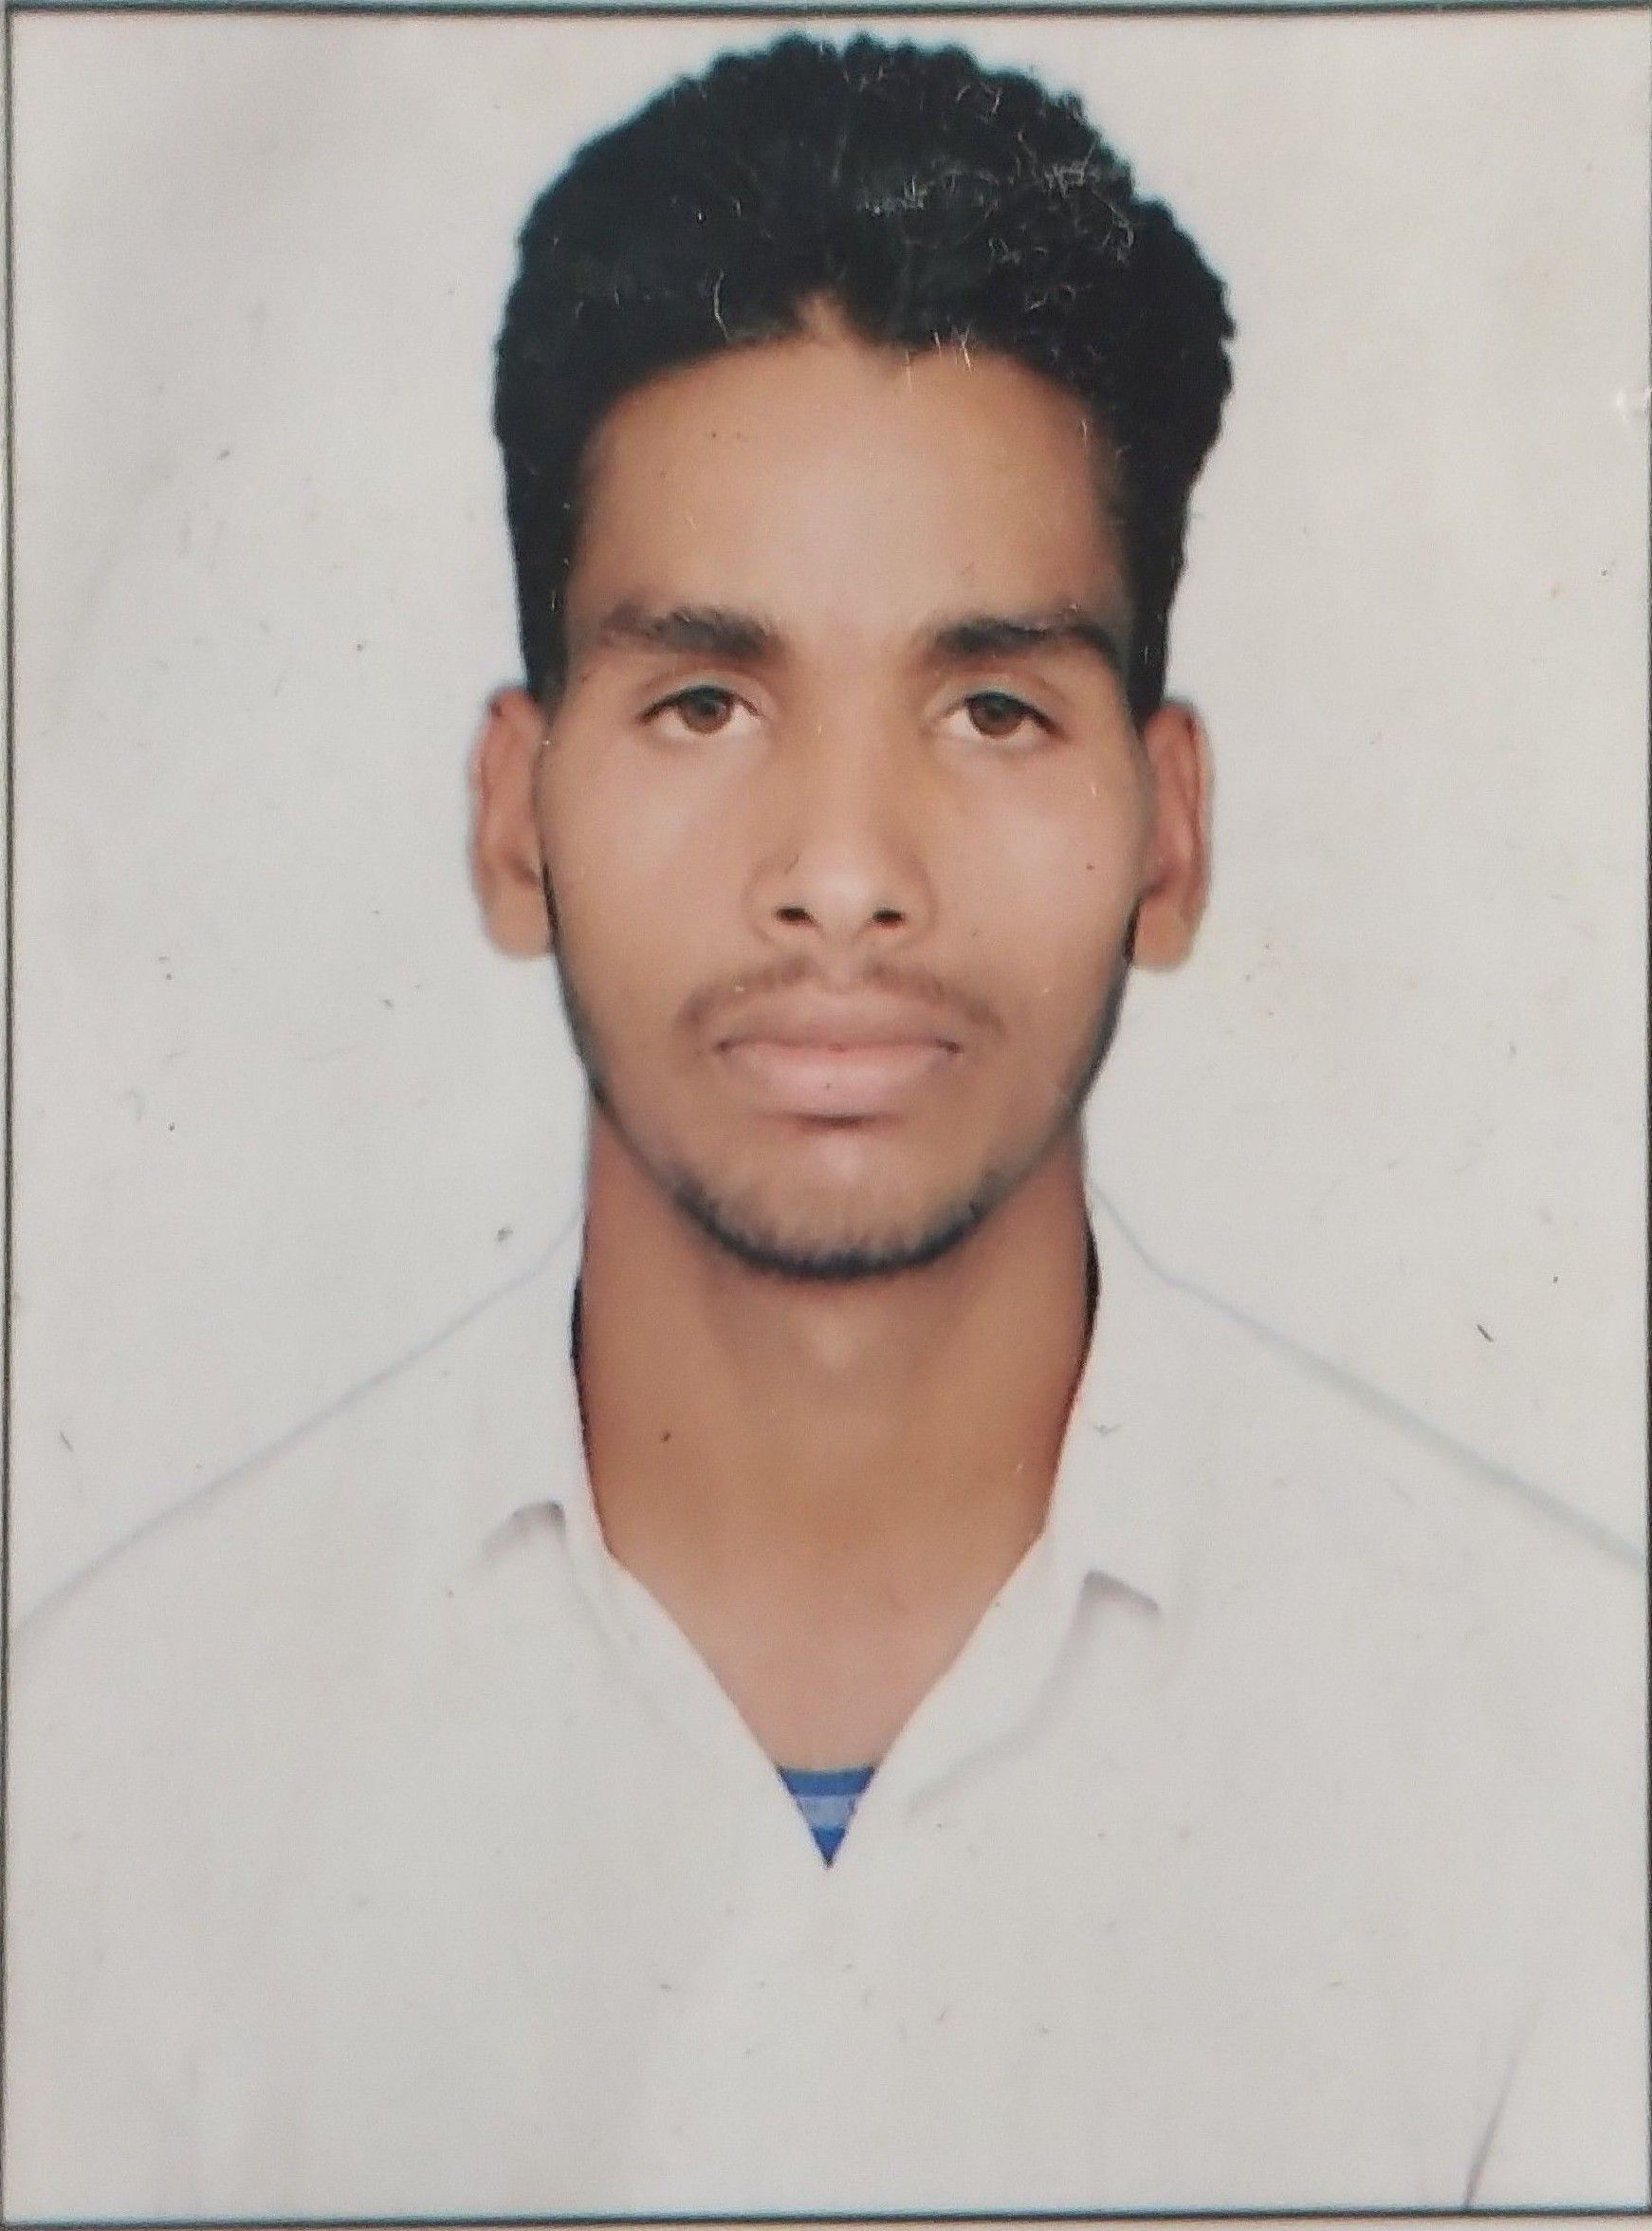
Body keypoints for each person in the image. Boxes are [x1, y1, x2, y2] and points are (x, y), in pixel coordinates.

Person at [7, 32, 1644, 2221]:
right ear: (513, 817)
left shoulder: (1566, 1764)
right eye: (705, 700)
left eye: (992, 707)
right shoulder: (115, 1762)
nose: (846, 872)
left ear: (1168, 831)